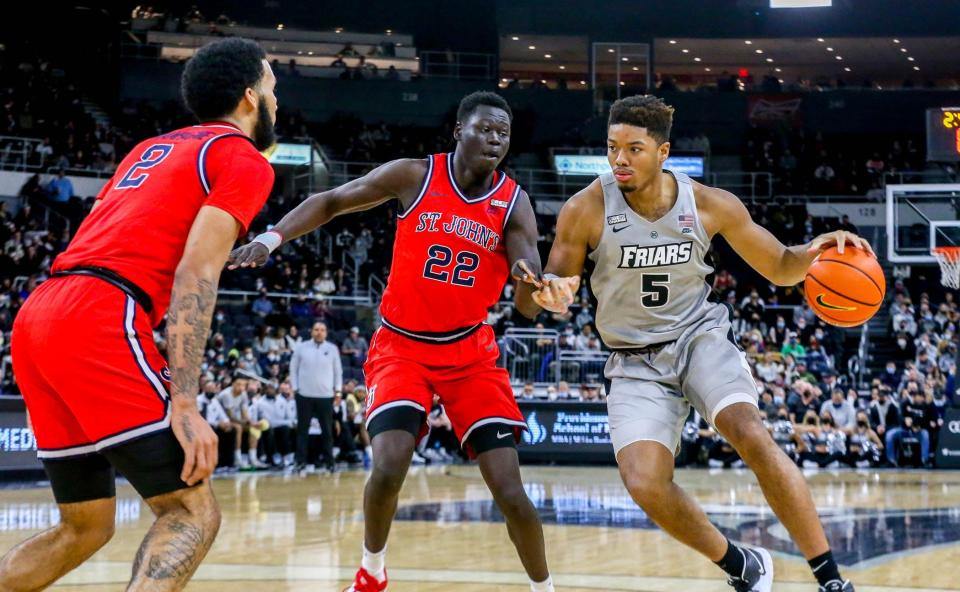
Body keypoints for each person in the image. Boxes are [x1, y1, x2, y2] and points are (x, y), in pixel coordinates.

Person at [523, 95, 867, 592]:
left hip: (698, 337)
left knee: (750, 434)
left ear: (663, 152)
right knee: (643, 483)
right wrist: (547, 293)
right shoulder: (585, 209)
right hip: (634, 358)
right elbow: (539, 297)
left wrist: (817, 251)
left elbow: (780, 266)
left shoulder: (709, 204)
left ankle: (831, 580)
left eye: (634, 149)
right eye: (612, 147)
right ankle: (741, 564)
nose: (619, 159)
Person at [229, 91, 559, 592]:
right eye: (485, 129)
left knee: (511, 491)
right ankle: (372, 571)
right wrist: (271, 239)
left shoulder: (514, 202)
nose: (495, 140)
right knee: (387, 465)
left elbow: (526, 296)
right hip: (402, 347)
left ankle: (544, 588)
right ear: (459, 131)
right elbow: (333, 200)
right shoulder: (416, 175)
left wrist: (535, 287)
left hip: (470, 355)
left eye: (504, 134)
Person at [3, 37, 276, 591]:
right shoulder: (242, 158)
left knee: (85, 525)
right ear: (251, 97)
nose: (278, 100)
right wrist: (185, 401)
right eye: (274, 88)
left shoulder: (151, 148)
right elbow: (197, 272)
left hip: (41, 312)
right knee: (191, 512)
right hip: (100, 313)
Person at [289, 322, 343, 473]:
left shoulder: (332, 349)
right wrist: (295, 388)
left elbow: (338, 372)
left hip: (326, 396)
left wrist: (338, 391)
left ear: (326, 333)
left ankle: (329, 462)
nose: (319, 332)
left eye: (322, 330)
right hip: (304, 395)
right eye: (316, 330)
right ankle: (300, 462)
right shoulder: (301, 348)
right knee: (302, 431)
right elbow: (293, 368)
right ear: (311, 331)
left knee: (327, 431)